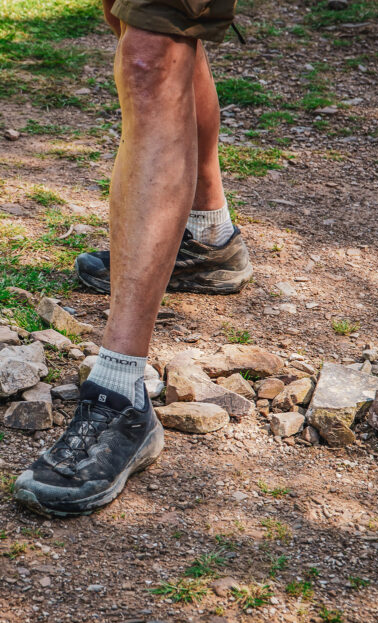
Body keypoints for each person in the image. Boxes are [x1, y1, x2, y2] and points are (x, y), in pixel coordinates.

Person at [14, 0, 251, 516]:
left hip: (119, 389)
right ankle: (209, 234)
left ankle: (120, 391)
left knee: (149, 52)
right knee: (145, 28)